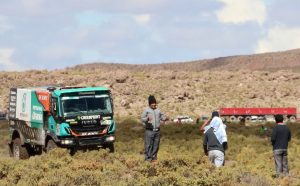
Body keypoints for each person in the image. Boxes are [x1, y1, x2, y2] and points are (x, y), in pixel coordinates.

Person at [141, 95, 167, 164]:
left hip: (157, 131)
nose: (153, 104)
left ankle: (154, 158)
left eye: (154, 103)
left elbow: (163, 116)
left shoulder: (158, 110)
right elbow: (142, 119)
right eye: (152, 103)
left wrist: (164, 118)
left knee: (156, 145)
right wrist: (147, 119)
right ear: (149, 104)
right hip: (149, 130)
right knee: (148, 145)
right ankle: (147, 159)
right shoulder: (146, 110)